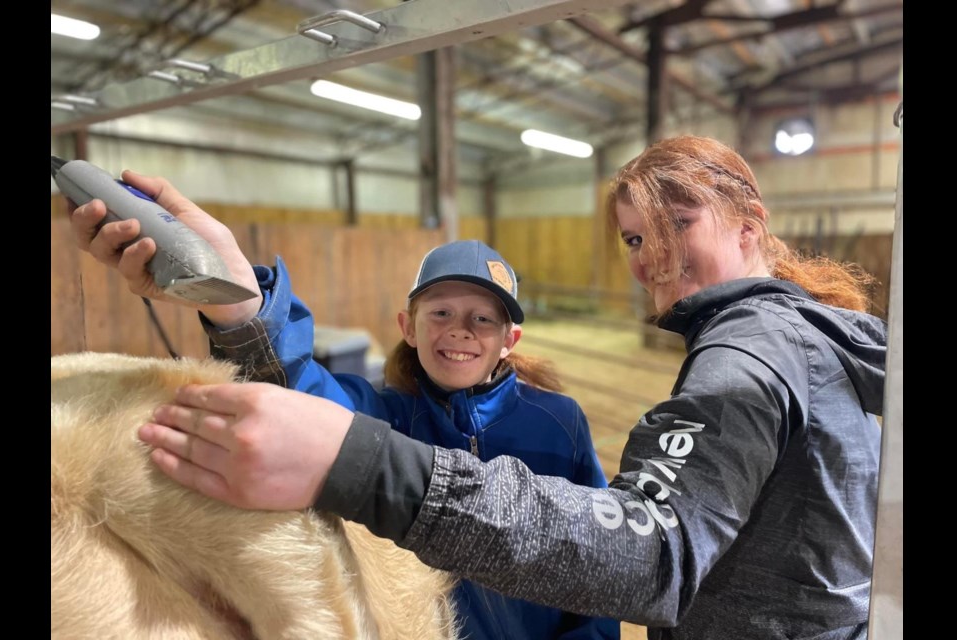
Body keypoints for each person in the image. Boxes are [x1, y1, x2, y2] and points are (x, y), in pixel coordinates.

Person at [73, 135, 887, 639]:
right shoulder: (803, 344)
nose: (650, 257)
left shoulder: (738, 357)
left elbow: (643, 553)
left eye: (681, 223)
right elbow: (309, 394)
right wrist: (238, 301)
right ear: (407, 322)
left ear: (750, 227)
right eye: (638, 236)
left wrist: (372, 468)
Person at [68, 180, 619, 639]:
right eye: (442, 312)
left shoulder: (559, 421)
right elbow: (298, 388)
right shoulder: (380, 414)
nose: (460, 331)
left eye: (483, 319)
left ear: (510, 338)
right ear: (409, 326)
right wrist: (236, 298)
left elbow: (596, 562)